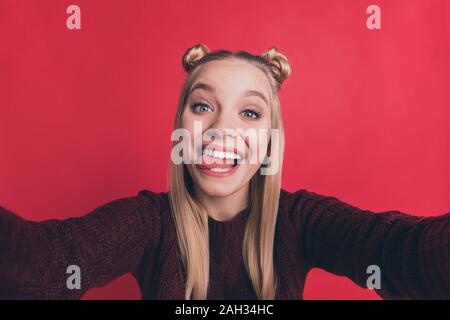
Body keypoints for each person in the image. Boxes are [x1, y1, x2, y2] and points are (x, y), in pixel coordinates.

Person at [0, 44, 449, 300]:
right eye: (202, 106)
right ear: (181, 127)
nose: (221, 130)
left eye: (250, 113)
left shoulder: (300, 221)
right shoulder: (149, 223)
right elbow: (46, 264)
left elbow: (399, 252)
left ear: (272, 139)